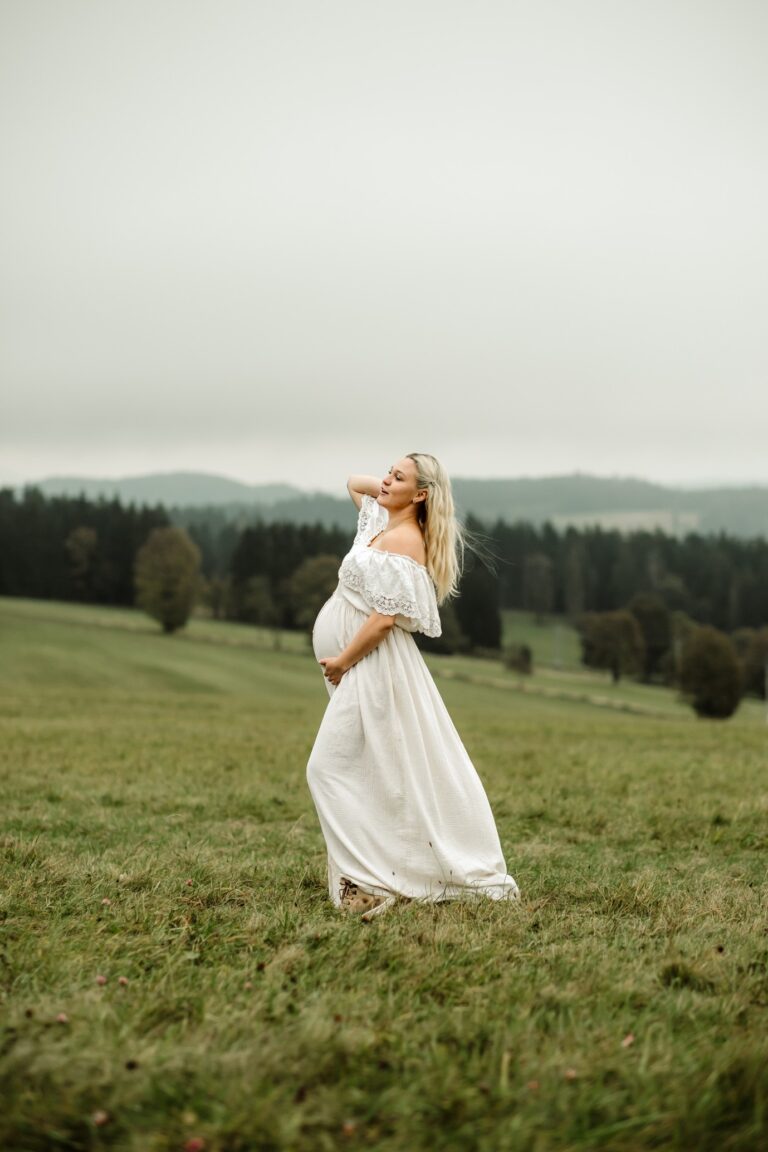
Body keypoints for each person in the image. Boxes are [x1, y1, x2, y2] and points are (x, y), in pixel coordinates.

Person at [307, 453, 520, 920]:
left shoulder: (405, 541)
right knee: (371, 768)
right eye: (388, 471)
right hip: (363, 664)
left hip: (372, 665)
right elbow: (354, 483)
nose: (384, 480)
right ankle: (367, 876)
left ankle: (369, 885)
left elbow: (383, 621)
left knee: (327, 769)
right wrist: (394, 485)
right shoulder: (383, 521)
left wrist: (343, 660)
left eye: (398, 477)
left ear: (421, 494)